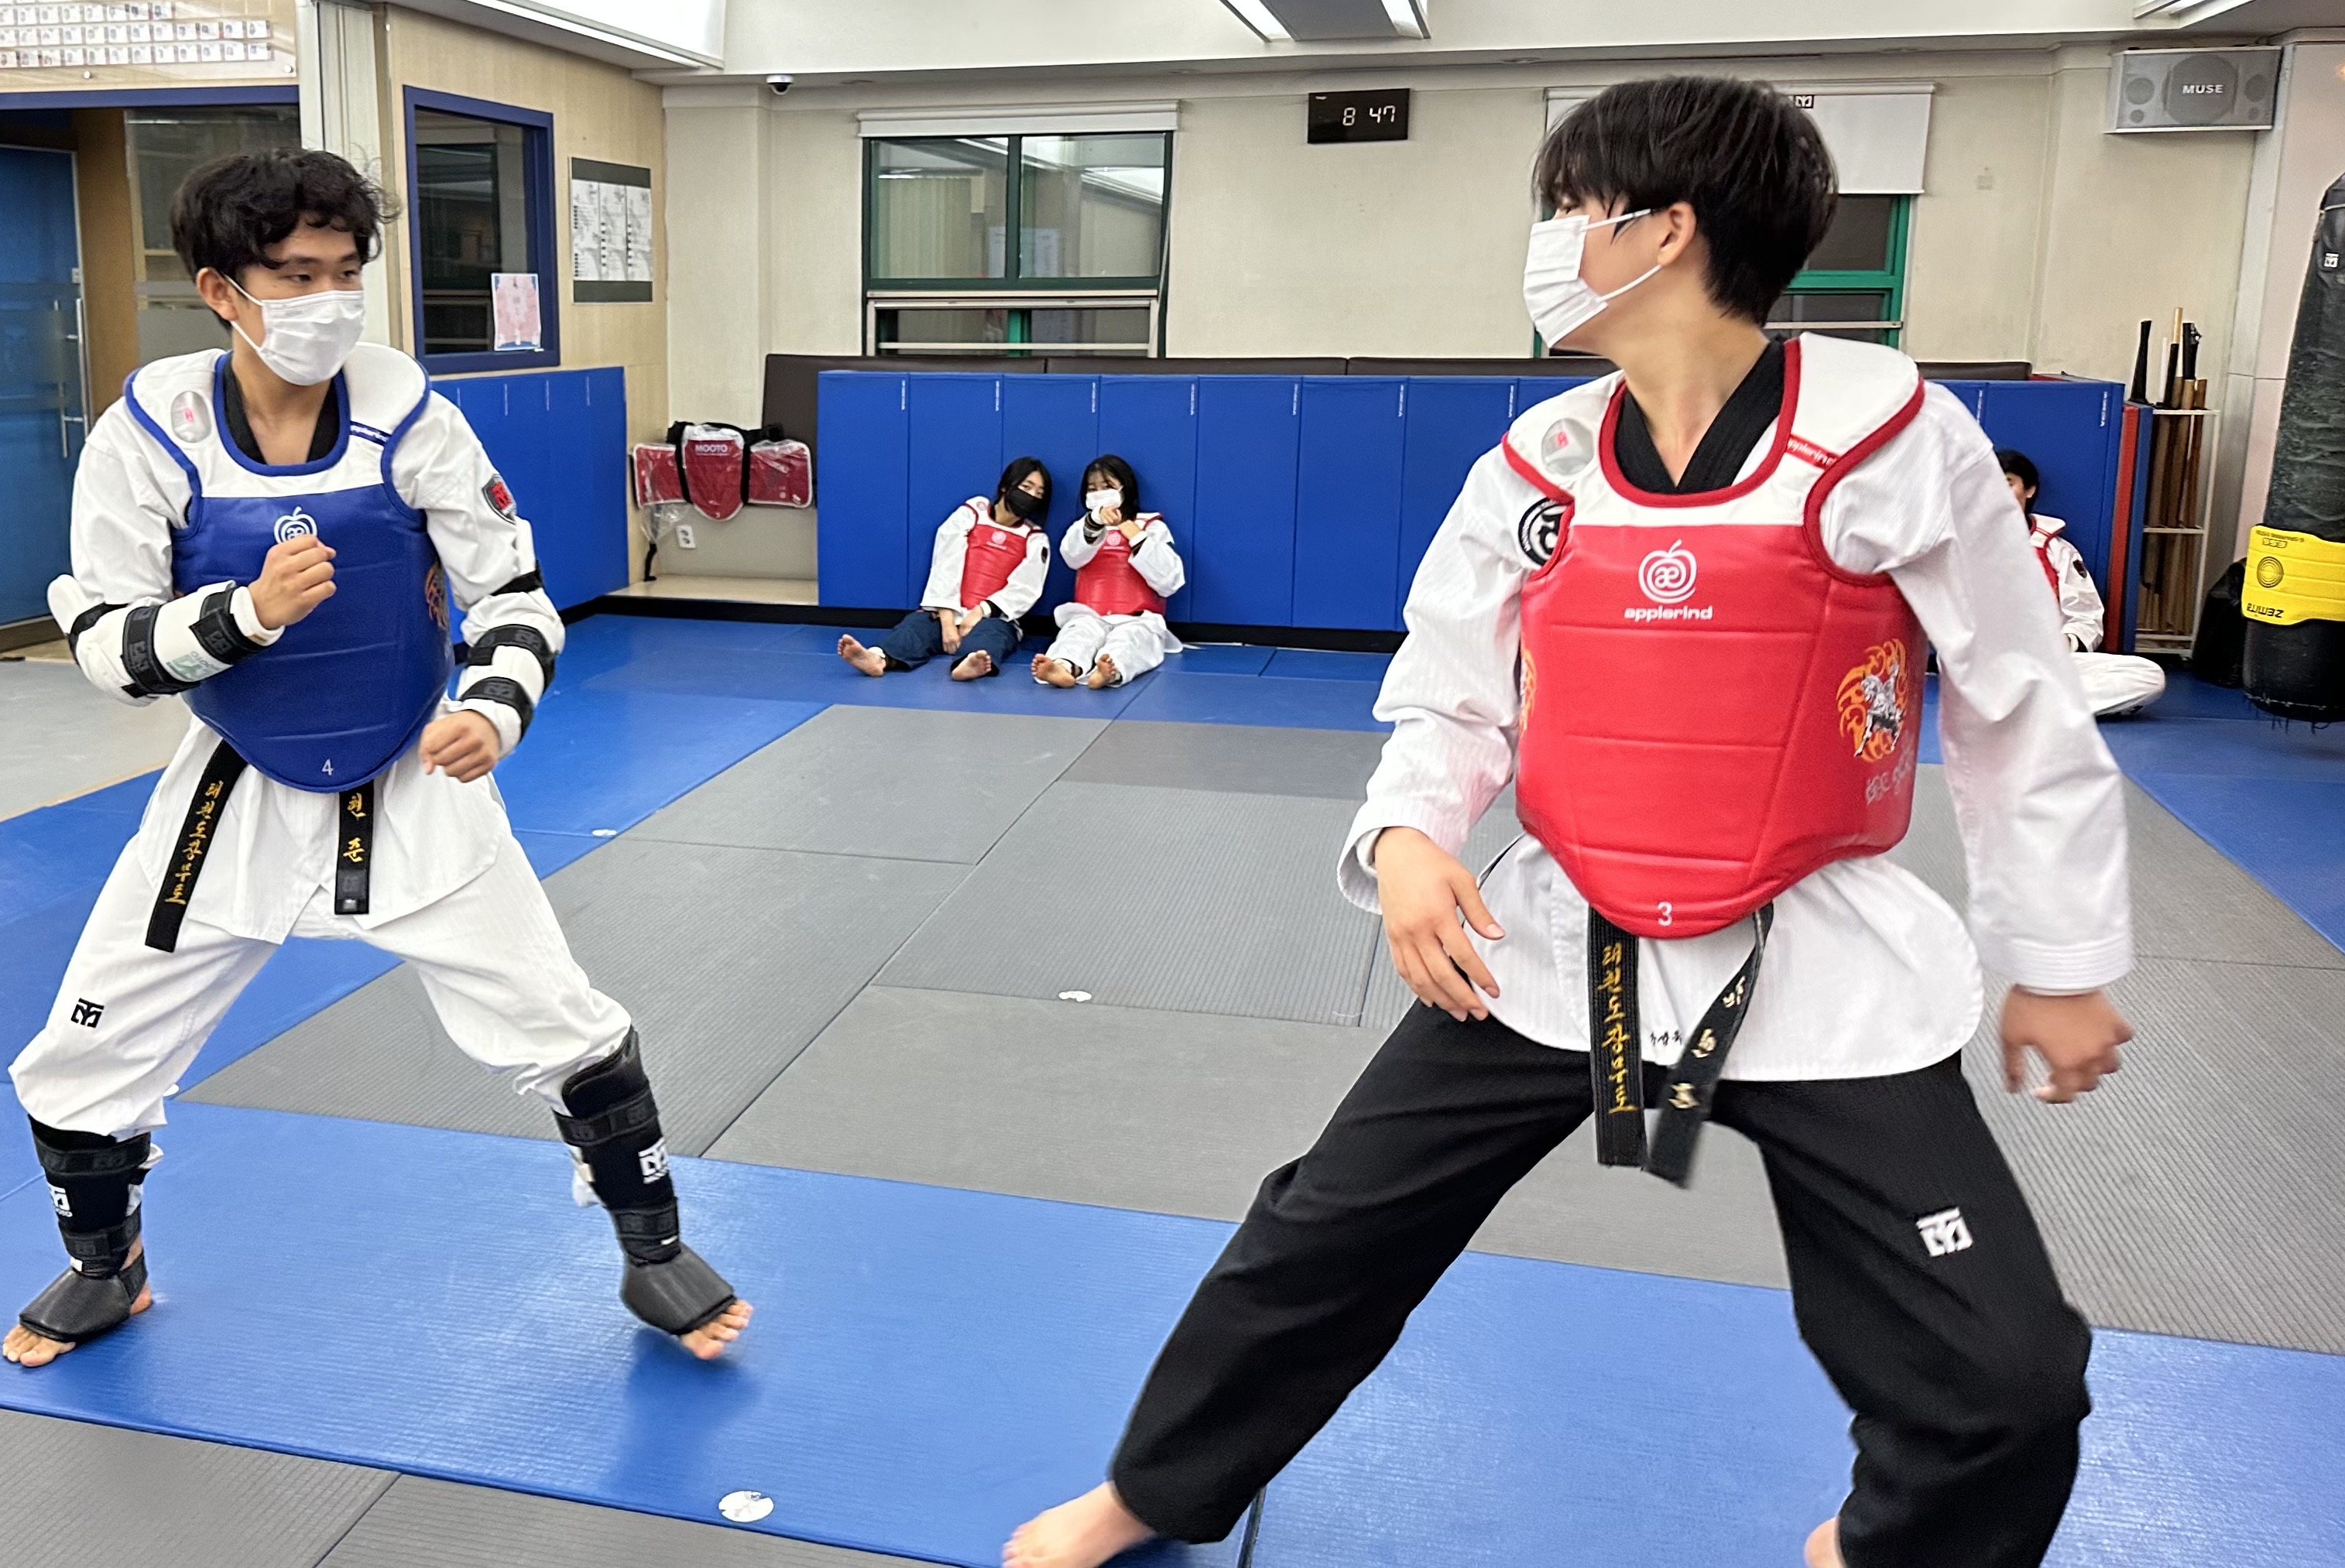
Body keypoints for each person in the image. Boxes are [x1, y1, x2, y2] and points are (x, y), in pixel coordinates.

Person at [1008, 77, 2134, 1568]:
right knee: (1321, 1233)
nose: (1546, 240)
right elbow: (1448, 686)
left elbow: (2018, 703)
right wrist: (1407, 838)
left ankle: (1886, 1545)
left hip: (1815, 955)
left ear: (1661, 232)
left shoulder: (1889, 441)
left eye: (1567, 208)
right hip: (1555, 935)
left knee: (2008, 1374)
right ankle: (1154, 1488)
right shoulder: (1535, 462)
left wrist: (2059, 955)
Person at [0, 149, 751, 1370]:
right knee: (86, 1048)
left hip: (413, 772)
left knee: (560, 1020)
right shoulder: (150, 435)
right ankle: (106, 1266)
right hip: (232, 787)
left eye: (345, 272)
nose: (328, 301)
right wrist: (246, 616)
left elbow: (513, 591)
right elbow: (107, 646)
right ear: (220, 289)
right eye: (296, 275)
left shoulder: (407, 415)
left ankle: (653, 1250)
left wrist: (493, 708)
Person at [841, 457, 1050, 680]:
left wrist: (980, 612)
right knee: (915, 627)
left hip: (992, 618)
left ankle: (969, 663)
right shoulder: (973, 513)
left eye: (1039, 493)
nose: (1031, 496)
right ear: (1005, 486)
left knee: (993, 636)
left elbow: (1025, 588)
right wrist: (947, 620)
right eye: (1026, 487)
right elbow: (946, 563)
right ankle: (878, 658)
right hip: (947, 611)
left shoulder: (1035, 538)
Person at [2000, 449, 2166, 718]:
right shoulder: (1965, 545)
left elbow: (2086, 616)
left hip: (2049, 661)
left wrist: (2064, 643)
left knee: (2149, 675)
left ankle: (2033, 706)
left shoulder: (2058, 551)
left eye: (2007, 483)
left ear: (2029, 490)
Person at [1033, 454, 1184, 689]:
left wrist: (1138, 538)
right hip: (1090, 615)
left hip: (1137, 619)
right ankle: (1063, 666)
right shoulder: (1083, 527)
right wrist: (1094, 523)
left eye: (1107, 486)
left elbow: (1170, 581)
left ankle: (1110, 671)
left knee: (1131, 641)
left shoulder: (1151, 527)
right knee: (1076, 635)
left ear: (1125, 487)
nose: (1099, 493)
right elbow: (1071, 556)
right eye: (1092, 489)